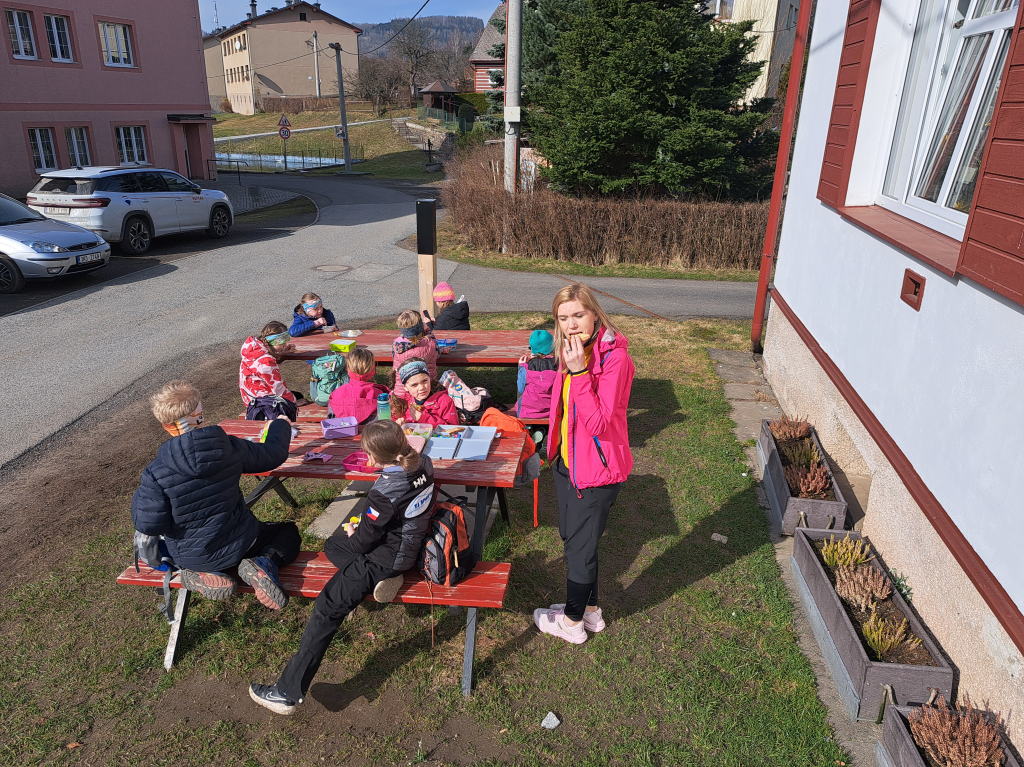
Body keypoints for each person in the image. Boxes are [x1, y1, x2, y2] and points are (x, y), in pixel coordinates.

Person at [248, 420, 435, 714]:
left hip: (382, 559)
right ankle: (387, 579)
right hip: (408, 548)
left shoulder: (383, 493)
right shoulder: (425, 464)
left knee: (327, 609)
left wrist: (355, 533)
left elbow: (361, 544)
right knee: (332, 545)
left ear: (374, 458)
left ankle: (286, 693)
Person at [131, 380, 300, 609]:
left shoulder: (155, 472)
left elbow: (149, 525)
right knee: (288, 532)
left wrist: (141, 496)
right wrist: (280, 425)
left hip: (191, 557)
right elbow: (273, 454)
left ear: (166, 426)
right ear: (200, 416)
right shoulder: (228, 448)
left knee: (198, 555)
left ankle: (199, 573)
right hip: (243, 544)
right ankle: (264, 561)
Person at [534, 283, 635, 644]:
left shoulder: (614, 359)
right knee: (575, 538)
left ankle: (572, 623)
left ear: (595, 314)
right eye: (563, 318)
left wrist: (579, 374)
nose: (571, 324)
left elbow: (598, 423)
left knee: (579, 550)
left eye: (578, 315)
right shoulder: (574, 349)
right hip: (568, 462)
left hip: (595, 472)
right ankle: (590, 612)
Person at [240, 321, 300, 421]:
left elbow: (260, 368)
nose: (285, 344)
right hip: (263, 403)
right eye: (282, 342)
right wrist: (293, 402)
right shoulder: (266, 361)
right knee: (297, 397)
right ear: (273, 341)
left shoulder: (253, 349)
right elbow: (277, 387)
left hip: (249, 396)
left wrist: (280, 352)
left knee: (296, 395)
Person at [327, 347, 388, 423]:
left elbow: (331, 419)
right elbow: (386, 422)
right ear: (373, 369)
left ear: (348, 368)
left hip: (342, 430)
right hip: (372, 430)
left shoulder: (336, 394)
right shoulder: (381, 396)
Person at [390, 358, 457, 427]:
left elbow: (454, 428)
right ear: (405, 387)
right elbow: (391, 424)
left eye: (424, 381)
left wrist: (424, 418)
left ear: (429, 379)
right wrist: (399, 424)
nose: (421, 388)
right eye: (414, 385)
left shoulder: (445, 401)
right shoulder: (402, 402)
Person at [392, 309, 438, 399]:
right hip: (427, 388)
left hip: (402, 391)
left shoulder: (397, 346)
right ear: (421, 326)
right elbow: (438, 353)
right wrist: (428, 327)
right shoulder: (430, 343)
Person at [516, 329, 558, 419]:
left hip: (528, 412)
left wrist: (521, 367)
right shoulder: (560, 365)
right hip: (554, 411)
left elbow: (521, 389)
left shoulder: (528, 367)